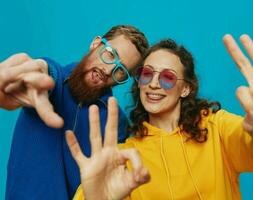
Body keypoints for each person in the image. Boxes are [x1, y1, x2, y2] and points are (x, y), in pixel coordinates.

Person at [71, 34, 253, 199]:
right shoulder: (126, 156)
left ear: (186, 89)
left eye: (168, 77)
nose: (153, 84)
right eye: (147, 74)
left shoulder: (216, 128)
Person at [1, 25, 149, 199]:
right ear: (96, 44)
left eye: (121, 71)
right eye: (110, 54)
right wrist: (35, 72)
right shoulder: (50, 84)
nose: (108, 70)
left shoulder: (116, 124)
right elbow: (47, 72)